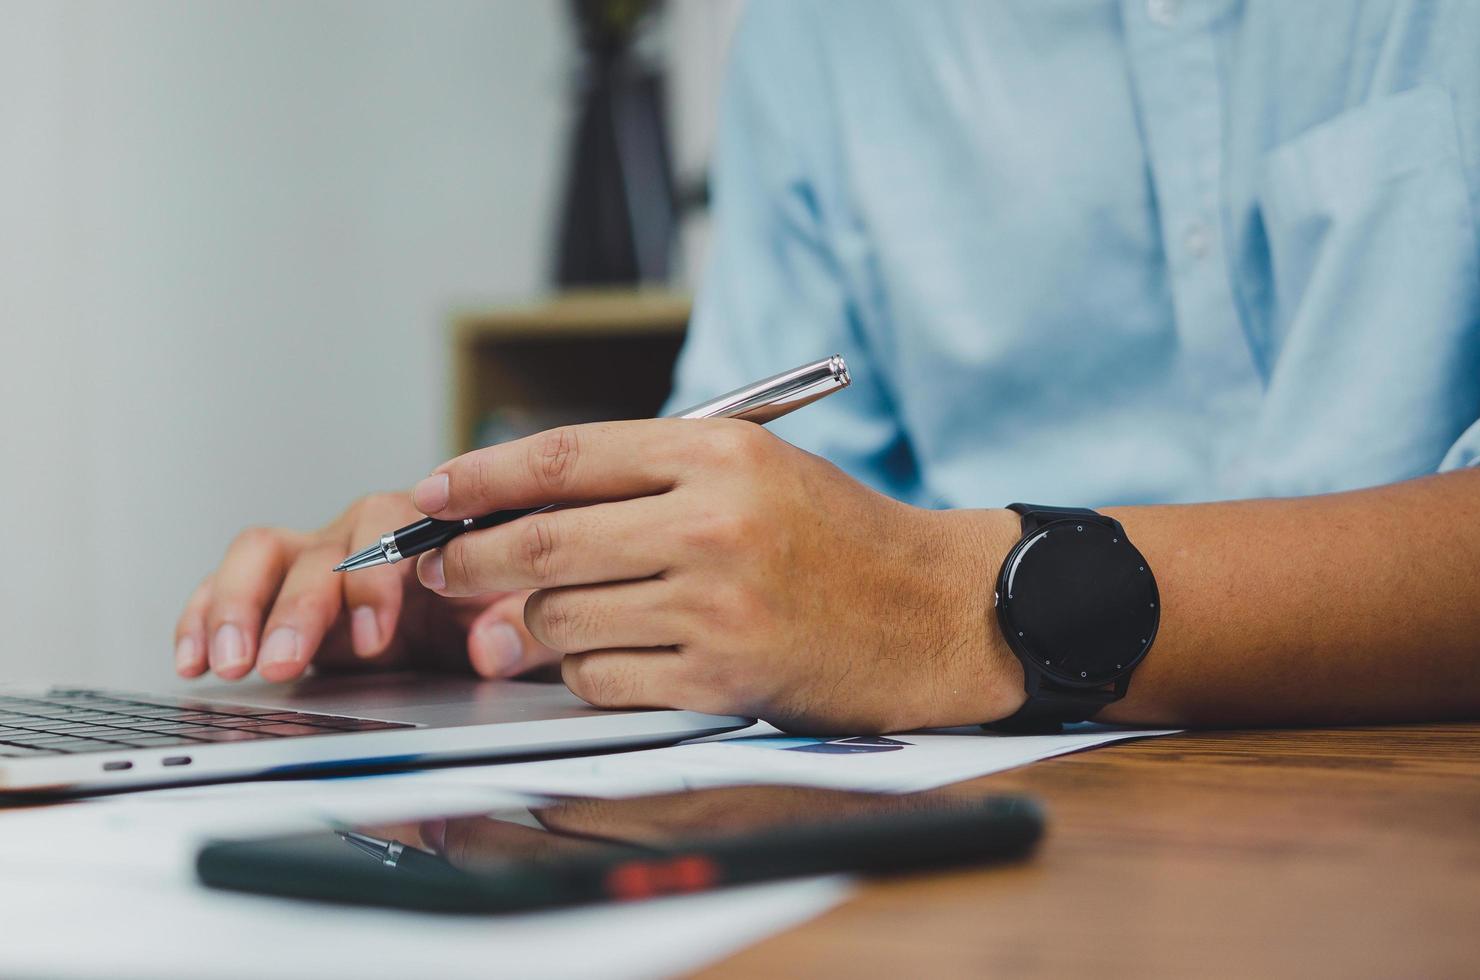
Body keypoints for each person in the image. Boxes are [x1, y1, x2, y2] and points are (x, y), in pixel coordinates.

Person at [175, 1, 1480, 733]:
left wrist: (960, 606)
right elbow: (768, 513)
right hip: (988, 834)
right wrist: (525, 576)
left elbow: (881, 587)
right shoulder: (822, 37)